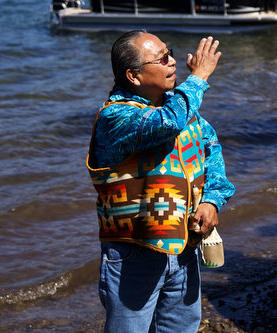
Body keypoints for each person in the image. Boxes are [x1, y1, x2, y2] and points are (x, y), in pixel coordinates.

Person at [88, 32, 234, 333]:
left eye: (171, 53)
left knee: (182, 327)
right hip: (134, 251)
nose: (173, 62)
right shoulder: (115, 117)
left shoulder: (180, 107)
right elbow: (169, 123)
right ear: (134, 75)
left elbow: (210, 149)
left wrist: (211, 200)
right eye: (162, 58)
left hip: (182, 244)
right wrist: (199, 77)